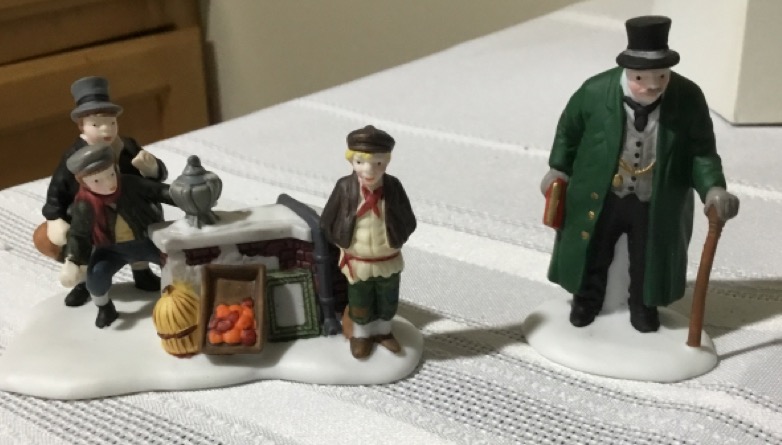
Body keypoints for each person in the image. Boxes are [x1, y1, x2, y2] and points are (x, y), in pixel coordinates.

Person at [541, 16, 739, 333]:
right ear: (626, 71)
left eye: (661, 76)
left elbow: (701, 151)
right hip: (603, 194)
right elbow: (569, 131)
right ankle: (586, 302)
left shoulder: (688, 98)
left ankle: (643, 308)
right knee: (594, 250)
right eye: (640, 78)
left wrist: (713, 188)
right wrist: (559, 169)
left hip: (654, 200)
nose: (652, 86)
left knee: (649, 258)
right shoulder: (594, 91)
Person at [36, 76, 167, 307]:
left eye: (112, 123)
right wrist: (55, 217)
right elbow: (57, 188)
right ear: (82, 126)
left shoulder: (127, 146)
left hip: (132, 211)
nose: (107, 129)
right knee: (88, 250)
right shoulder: (73, 157)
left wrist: (153, 169)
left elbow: (153, 185)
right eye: (97, 124)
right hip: (93, 217)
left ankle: (142, 272)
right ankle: (84, 283)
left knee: (140, 238)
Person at [320, 125, 417, 359]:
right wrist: (343, 244)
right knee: (360, 299)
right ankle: (361, 335)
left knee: (388, 298)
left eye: (378, 163)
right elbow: (327, 220)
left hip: (387, 259)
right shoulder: (345, 187)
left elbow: (409, 219)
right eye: (360, 162)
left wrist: (397, 238)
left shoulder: (393, 188)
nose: (369, 170)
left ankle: (383, 332)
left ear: (387, 162)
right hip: (358, 262)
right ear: (351, 161)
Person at [59, 144, 175, 328]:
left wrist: (185, 196)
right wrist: (73, 260)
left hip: (147, 241)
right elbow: (79, 235)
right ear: (83, 182)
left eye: (111, 174)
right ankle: (105, 307)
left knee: (174, 263)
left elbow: (158, 191)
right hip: (110, 250)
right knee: (95, 278)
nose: (109, 183)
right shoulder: (84, 205)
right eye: (97, 181)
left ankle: (177, 298)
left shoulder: (130, 184)